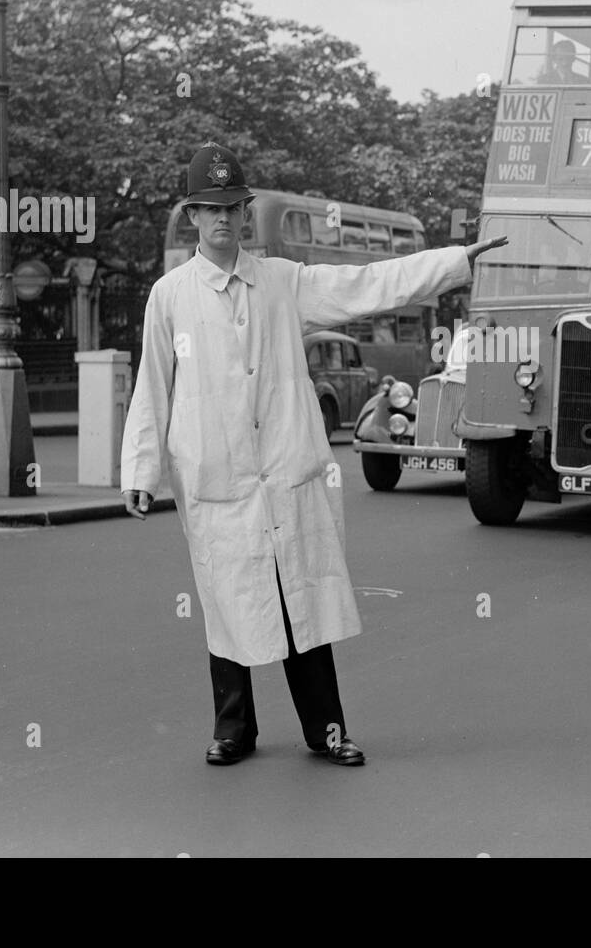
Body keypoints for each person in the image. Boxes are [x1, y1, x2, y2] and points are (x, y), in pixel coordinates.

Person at [120, 143, 506, 767]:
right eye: (210, 209)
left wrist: (454, 261)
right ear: (193, 214)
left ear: (245, 213)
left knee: (300, 600)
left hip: (284, 471)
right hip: (217, 479)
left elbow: (367, 285)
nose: (224, 220)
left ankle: (327, 731)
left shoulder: (281, 282)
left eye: (233, 208)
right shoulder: (169, 297)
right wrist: (140, 472)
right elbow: (151, 389)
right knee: (226, 604)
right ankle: (232, 732)